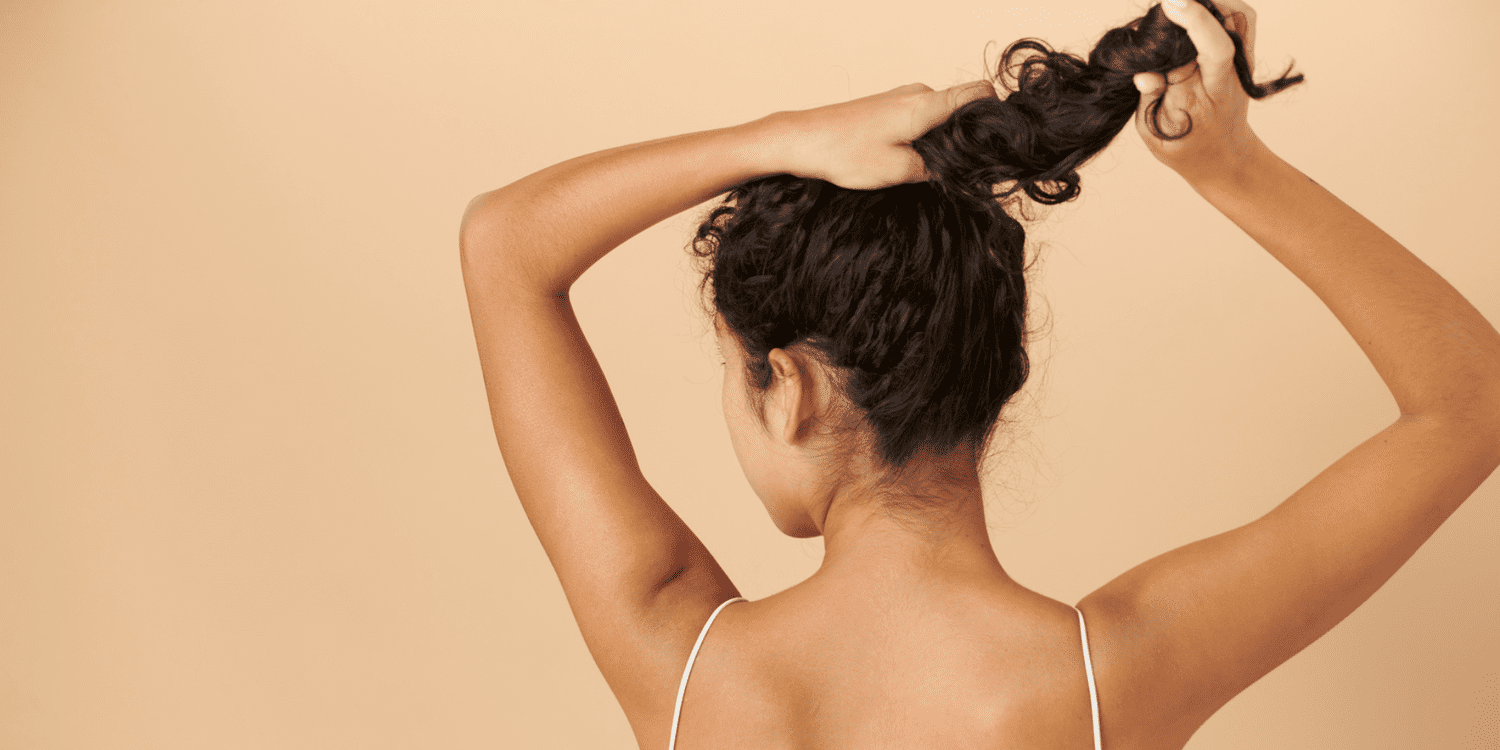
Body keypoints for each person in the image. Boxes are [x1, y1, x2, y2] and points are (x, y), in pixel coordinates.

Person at [459, 0, 1500, 747]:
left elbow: (504, 244)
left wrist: (783, 138)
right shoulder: (1112, 681)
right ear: (990, 371)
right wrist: (1234, 169)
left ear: (793, 388)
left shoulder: (680, 662)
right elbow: (1472, 401)